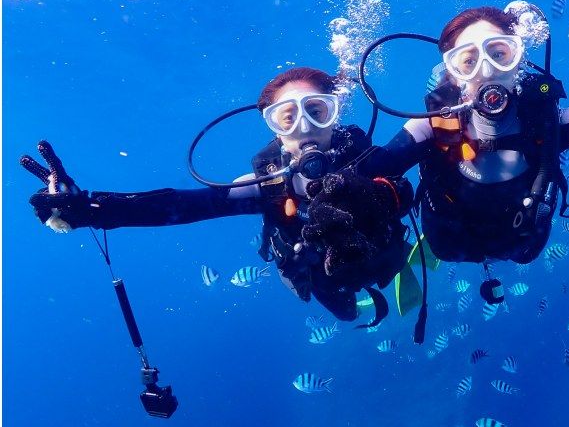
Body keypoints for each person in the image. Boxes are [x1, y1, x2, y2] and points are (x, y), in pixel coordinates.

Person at [307, 5, 569, 267]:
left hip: (523, 239)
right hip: (449, 240)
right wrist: (337, 192)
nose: (487, 70)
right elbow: (369, 173)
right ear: (452, 75)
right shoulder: (431, 127)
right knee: (446, 247)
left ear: (519, 59)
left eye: (499, 53)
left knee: (526, 252)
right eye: (467, 61)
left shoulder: (546, 121)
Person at [21, 67, 412, 322]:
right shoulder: (268, 184)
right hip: (317, 273)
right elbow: (186, 205)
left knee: (383, 267)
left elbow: (428, 142)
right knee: (343, 311)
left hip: (382, 253)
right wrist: (92, 208)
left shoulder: (368, 161)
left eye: (317, 110)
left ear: (335, 114)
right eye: (287, 117)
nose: (305, 126)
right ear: (274, 129)